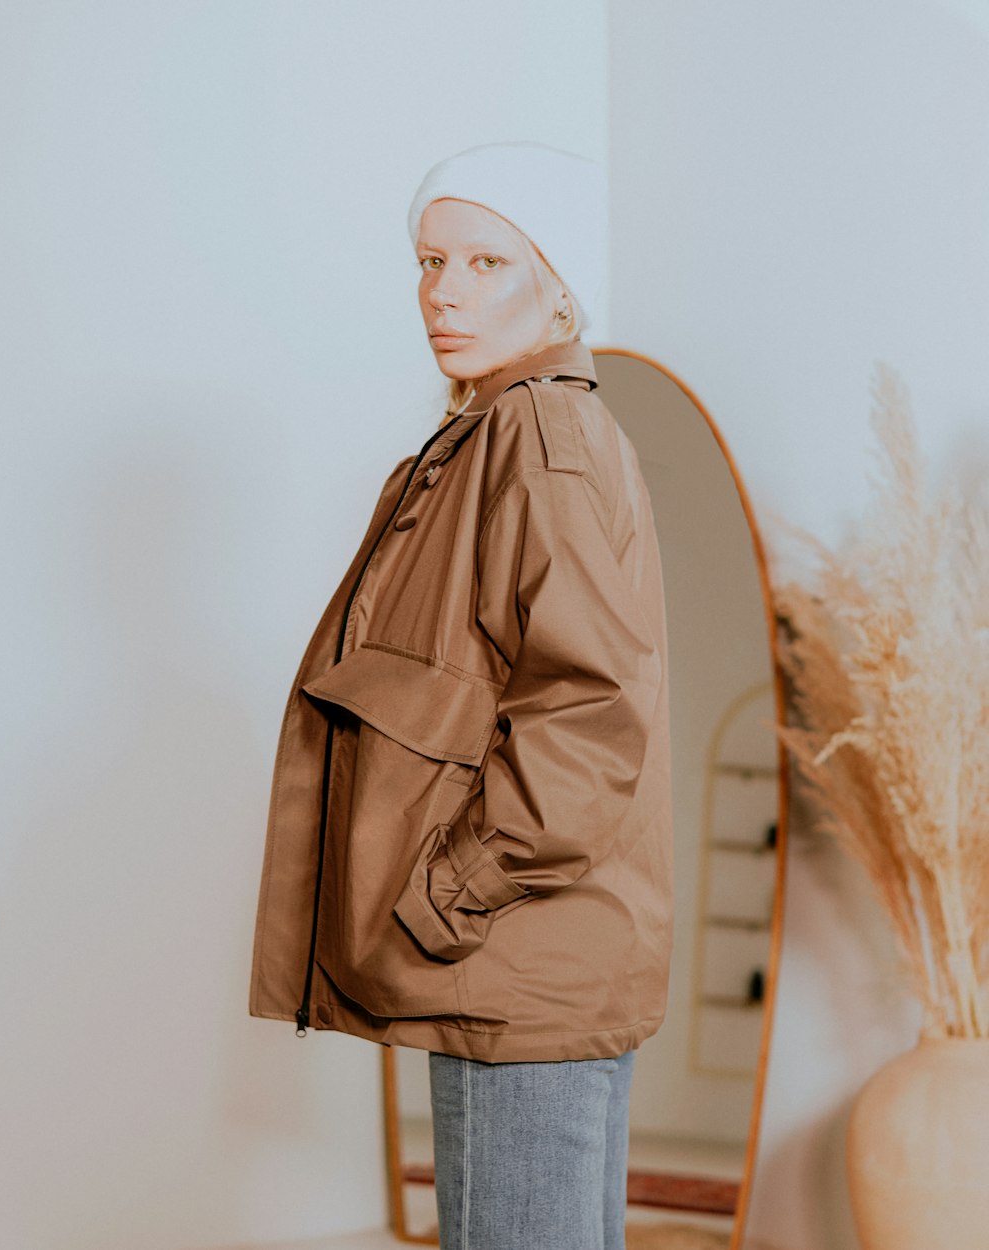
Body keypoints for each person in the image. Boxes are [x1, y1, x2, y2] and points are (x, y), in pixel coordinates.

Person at [248, 140, 673, 1250]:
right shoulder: (491, 432)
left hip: (514, 959)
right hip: (505, 963)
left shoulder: (538, 435)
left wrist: (452, 891)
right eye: (432, 259)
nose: (443, 290)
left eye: (487, 261)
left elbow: (589, 708)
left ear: (559, 281)